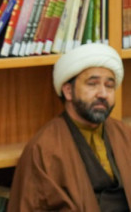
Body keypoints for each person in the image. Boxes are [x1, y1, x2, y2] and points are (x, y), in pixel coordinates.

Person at [8, 43, 131, 211]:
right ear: (68, 91)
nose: (103, 93)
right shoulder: (43, 149)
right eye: (92, 84)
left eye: (109, 86)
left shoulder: (125, 134)